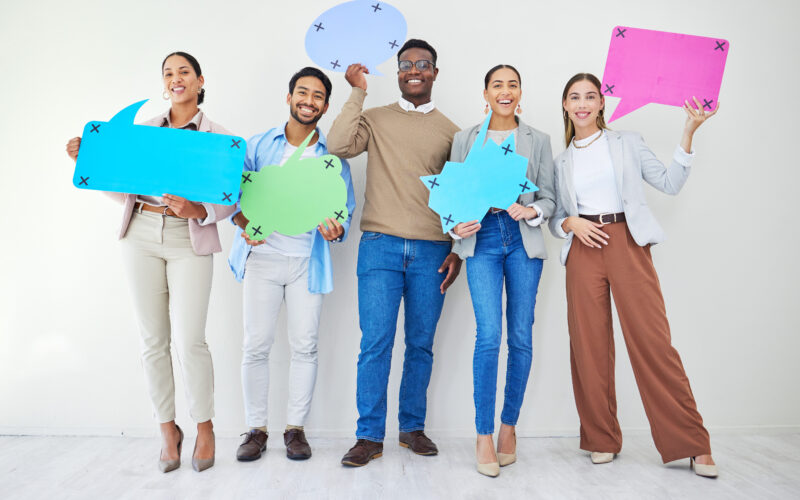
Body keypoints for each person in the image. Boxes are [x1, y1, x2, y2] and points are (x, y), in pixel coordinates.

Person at [65, 51, 235, 473]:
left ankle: (205, 427)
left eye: (184, 72)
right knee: (152, 340)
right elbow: (121, 187)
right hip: (139, 233)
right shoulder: (143, 132)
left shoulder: (219, 138)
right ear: (164, 84)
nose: (176, 79)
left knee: (191, 340)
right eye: (169, 73)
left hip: (187, 238)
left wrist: (197, 210)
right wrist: (89, 160)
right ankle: (167, 430)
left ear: (200, 81)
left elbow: (229, 198)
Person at [549, 72, 719, 477]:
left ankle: (693, 443)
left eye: (590, 96)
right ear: (566, 106)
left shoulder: (627, 142)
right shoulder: (561, 162)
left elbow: (670, 183)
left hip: (627, 241)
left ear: (601, 103)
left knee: (652, 342)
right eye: (575, 97)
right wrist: (570, 223)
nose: (583, 103)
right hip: (583, 250)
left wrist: (688, 132)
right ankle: (601, 438)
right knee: (588, 347)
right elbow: (556, 218)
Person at [326, 39, 462, 467]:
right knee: (375, 344)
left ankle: (411, 428)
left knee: (420, 345)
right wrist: (357, 90)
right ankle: (368, 436)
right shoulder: (376, 117)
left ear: (435, 72)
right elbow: (337, 145)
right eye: (406, 64)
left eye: (423, 64)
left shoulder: (453, 133)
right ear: (399, 72)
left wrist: (458, 249)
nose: (414, 70)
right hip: (379, 246)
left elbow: (460, 197)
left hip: (432, 250)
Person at [229, 67, 356, 462]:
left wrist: (335, 230)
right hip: (262, 259)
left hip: (307, 263)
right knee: (256, 345)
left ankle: (296, 430)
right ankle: (256, 430)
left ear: (326, 106)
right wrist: (247, 226)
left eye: (318, 96)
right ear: (289, 97)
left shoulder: (332, 161)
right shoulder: (258, 145)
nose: (309, 101)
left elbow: (344, 216)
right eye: (302, 92)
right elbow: (233, 199)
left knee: (305, 346)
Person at [450, 65, 555, 477]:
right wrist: (455, 227)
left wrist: (533, 210)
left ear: (520, 93)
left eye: (512, 85)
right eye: (498, 85)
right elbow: (452, 197)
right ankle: (483, 434)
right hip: (483, 239)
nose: (505, 91)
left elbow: (549, 197)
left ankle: (509, 427)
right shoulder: (465, 139)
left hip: (522, 237)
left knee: (521, 337)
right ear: (486, 94)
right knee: (489, 335)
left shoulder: (538, 139)